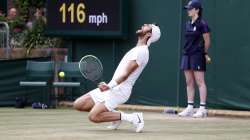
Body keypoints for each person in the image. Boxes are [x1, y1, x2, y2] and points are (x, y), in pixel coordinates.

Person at [73, 24, 161, 133]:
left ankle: (134, 118)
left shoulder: (142, 51)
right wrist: (109, 86)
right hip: (113, 87)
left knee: (94, 116)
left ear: (148, 34)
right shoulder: (137, 49)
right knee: (79, 104)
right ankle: (115, 117)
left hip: (120, 90)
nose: (143, 25)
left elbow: (125, 74)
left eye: (147, 26)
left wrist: (109, 85)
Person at [178, 0, 211, 118]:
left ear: (197, 10)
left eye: (190, 8)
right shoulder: (187, 24)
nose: (188, 10)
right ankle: (190, 108)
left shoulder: (202, 24)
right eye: (188, 8)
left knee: (200, 82)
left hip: (197, 55)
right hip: (186, 54)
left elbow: (207, 40)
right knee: (189, 82)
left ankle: (202, 109)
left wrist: (204, 52)